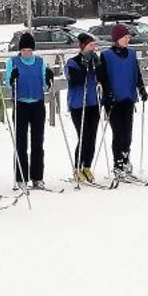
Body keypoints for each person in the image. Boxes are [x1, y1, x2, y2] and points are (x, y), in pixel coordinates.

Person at [98, 23, 148, 179]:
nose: (128, 40)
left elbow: (137, 73)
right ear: (116, 39)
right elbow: (103, 77)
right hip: (113, 100)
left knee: (127, 133)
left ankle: (126, 159)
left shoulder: (132, 54)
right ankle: (118, 163)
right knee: (118, 132)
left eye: (128, 38)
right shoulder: (106, 55)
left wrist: (141, 88)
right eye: (125, 37)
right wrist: (108, 93)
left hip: (128, 97)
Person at [5, 32, 55, 190]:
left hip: (37, 104)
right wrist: (12, 79)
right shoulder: (12, 62)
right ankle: (21, 177)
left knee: (37, 142)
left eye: (29, 50)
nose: (26, 53)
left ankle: (37, 177)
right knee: (21, 143)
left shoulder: (40, 62)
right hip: (21, 104)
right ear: (20, 50)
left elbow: (46, 84)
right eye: (24, 50)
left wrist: (48, 79)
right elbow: (8, 83)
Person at [65, 33, 102, 183]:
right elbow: (75, 80)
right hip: (78, 104)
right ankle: (77, 167)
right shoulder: (72, 62)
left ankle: (87, 165)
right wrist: (84, 65)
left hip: (93, 102)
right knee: (83, 136)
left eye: (94, 45)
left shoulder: (94, 61)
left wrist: (98, 65)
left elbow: (102, 76)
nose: (93, 48)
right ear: (83, 46)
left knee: (92, 136)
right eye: (90, 45)